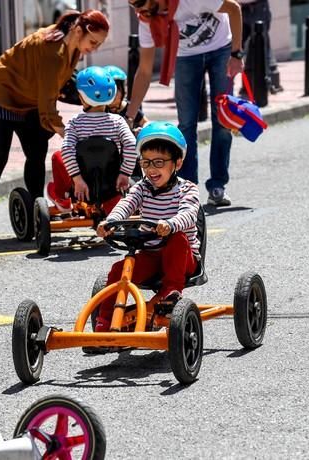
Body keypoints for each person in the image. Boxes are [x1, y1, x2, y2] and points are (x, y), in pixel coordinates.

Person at [0, 9, 110, 244]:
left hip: (28, 98)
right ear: (78, 31)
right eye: (93, 42)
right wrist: (69, 133)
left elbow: (60, 85)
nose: (94, 49)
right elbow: (47, 107)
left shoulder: (73, 47)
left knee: (36, 153)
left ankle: (38, 213)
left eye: (98, 45)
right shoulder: (52, 52)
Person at [124, 0, 244, 207]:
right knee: (187, 123)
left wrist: (236, 54)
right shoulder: (147, 19)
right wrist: (129, 116)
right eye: (133, 5)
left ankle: (217, 185)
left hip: (221, 48)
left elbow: (234, 9)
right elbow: (144, 71)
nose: (139, 10)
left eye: (141, 3)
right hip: (186, 57)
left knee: (223, 121)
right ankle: (189, 189)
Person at [94, 122, 201, 332]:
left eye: (159, 162)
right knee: (118, 271)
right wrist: (110, 221)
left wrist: (170, 225)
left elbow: (189, 214)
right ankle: (105, 323)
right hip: (151, 255)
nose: (151, 169)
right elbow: (126, 204)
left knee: (177, 239)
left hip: (184, 259)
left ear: (177, 163)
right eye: (146, 163)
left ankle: (170, 292)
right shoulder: (142, 188)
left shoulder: (187, 189)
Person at [46, 66, 137, 214]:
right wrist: (124, 174)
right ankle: (113, 210)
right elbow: (132, 146)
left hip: (82, 187)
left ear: (82, 97)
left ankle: (62, 197)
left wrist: (77, 180)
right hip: (112, 184)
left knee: (58, 156)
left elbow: (67, 151)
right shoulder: (118, 122)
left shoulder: (75, 123)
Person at [237, 0, 282, 95]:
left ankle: (266, 83)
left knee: (261, 45)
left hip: (258, 7)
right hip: (239, 7)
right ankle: (229, 86)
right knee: (233, 47)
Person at [103, 65, 149, 131]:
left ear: (123, 91)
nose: (112, 95)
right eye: (109, 92)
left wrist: (141, 130)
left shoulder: (130, 109)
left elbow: (146, 123)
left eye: (116, 91)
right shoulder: (100, 108)